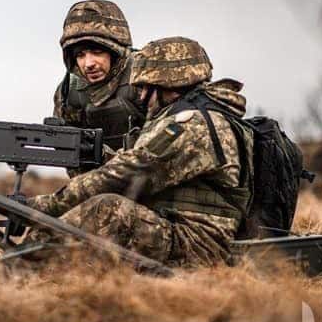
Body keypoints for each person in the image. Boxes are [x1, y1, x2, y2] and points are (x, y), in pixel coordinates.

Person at [27, 36, 254, 266]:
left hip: (198, 246)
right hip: (181, 233)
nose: (142, 96)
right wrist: (97, 153)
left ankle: (19, 270)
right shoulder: (195, 117)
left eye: (146, 87)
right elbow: (145, 164)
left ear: (171, 85)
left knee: (108, 210)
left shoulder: (193, 124)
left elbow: (131, 171)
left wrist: (43, 207)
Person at [53, 0, 146, 163]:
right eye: (80, 55)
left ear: (115, 52)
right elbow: (72, 159)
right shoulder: (70, 91)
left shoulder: (145, 77)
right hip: (98, 180)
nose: (88, 64)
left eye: (96, 52)